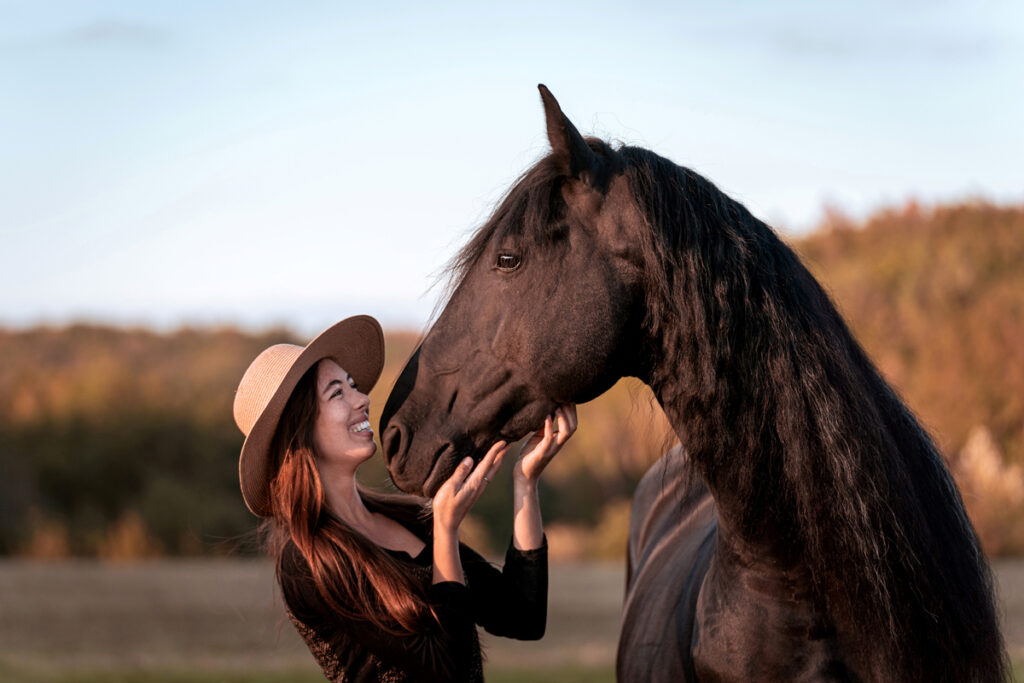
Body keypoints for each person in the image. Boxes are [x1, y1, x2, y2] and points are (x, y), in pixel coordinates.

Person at [232, 315, 577, 682]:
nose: (362, 399)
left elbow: (522, 614)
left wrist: (525, 481)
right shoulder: (306, 560)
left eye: (353, 386)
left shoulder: (410, 520)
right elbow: (446, 669)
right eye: (337, 393)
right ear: (300, 432)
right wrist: (446, 530)